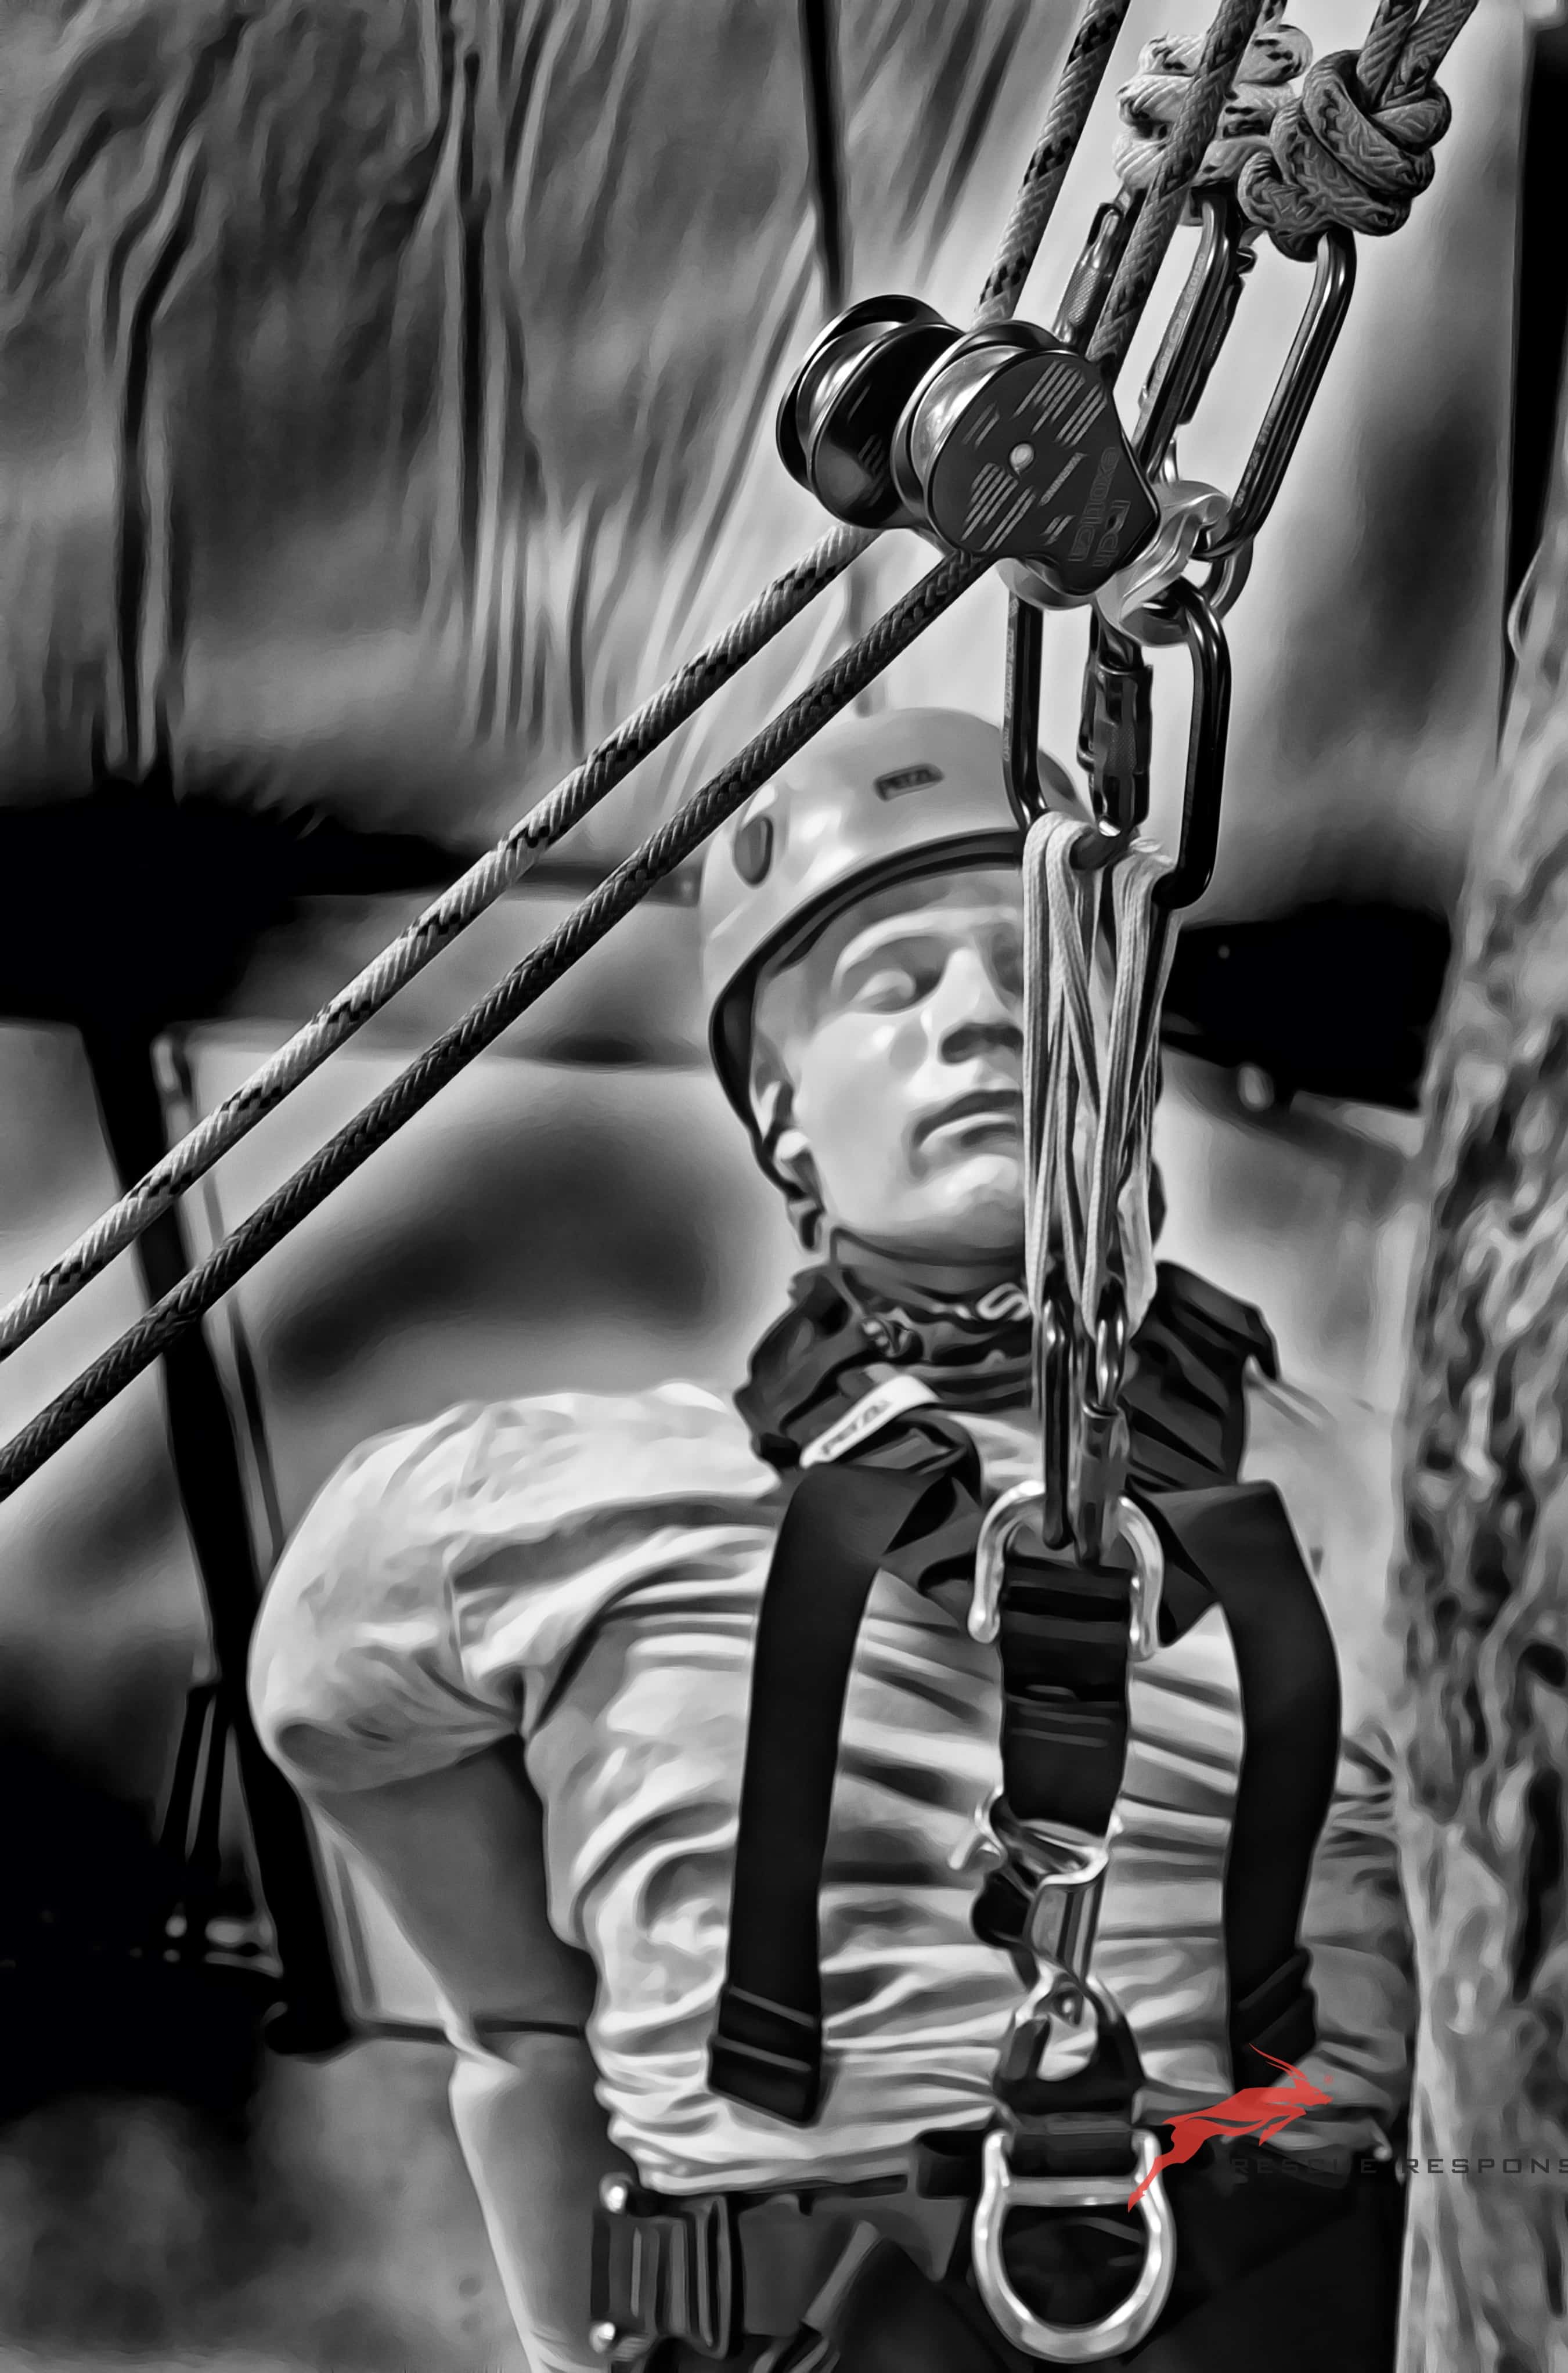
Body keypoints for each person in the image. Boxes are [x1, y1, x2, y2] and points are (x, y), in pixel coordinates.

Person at [248, 707, 1416, 2373]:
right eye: (894, 984)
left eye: (1036, 970)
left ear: (1130, 1059)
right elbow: (401, 1835)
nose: (983, 1018)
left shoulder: (1409, 1518)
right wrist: (540, 2039)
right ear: (781, 1111)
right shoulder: (513, 1521)